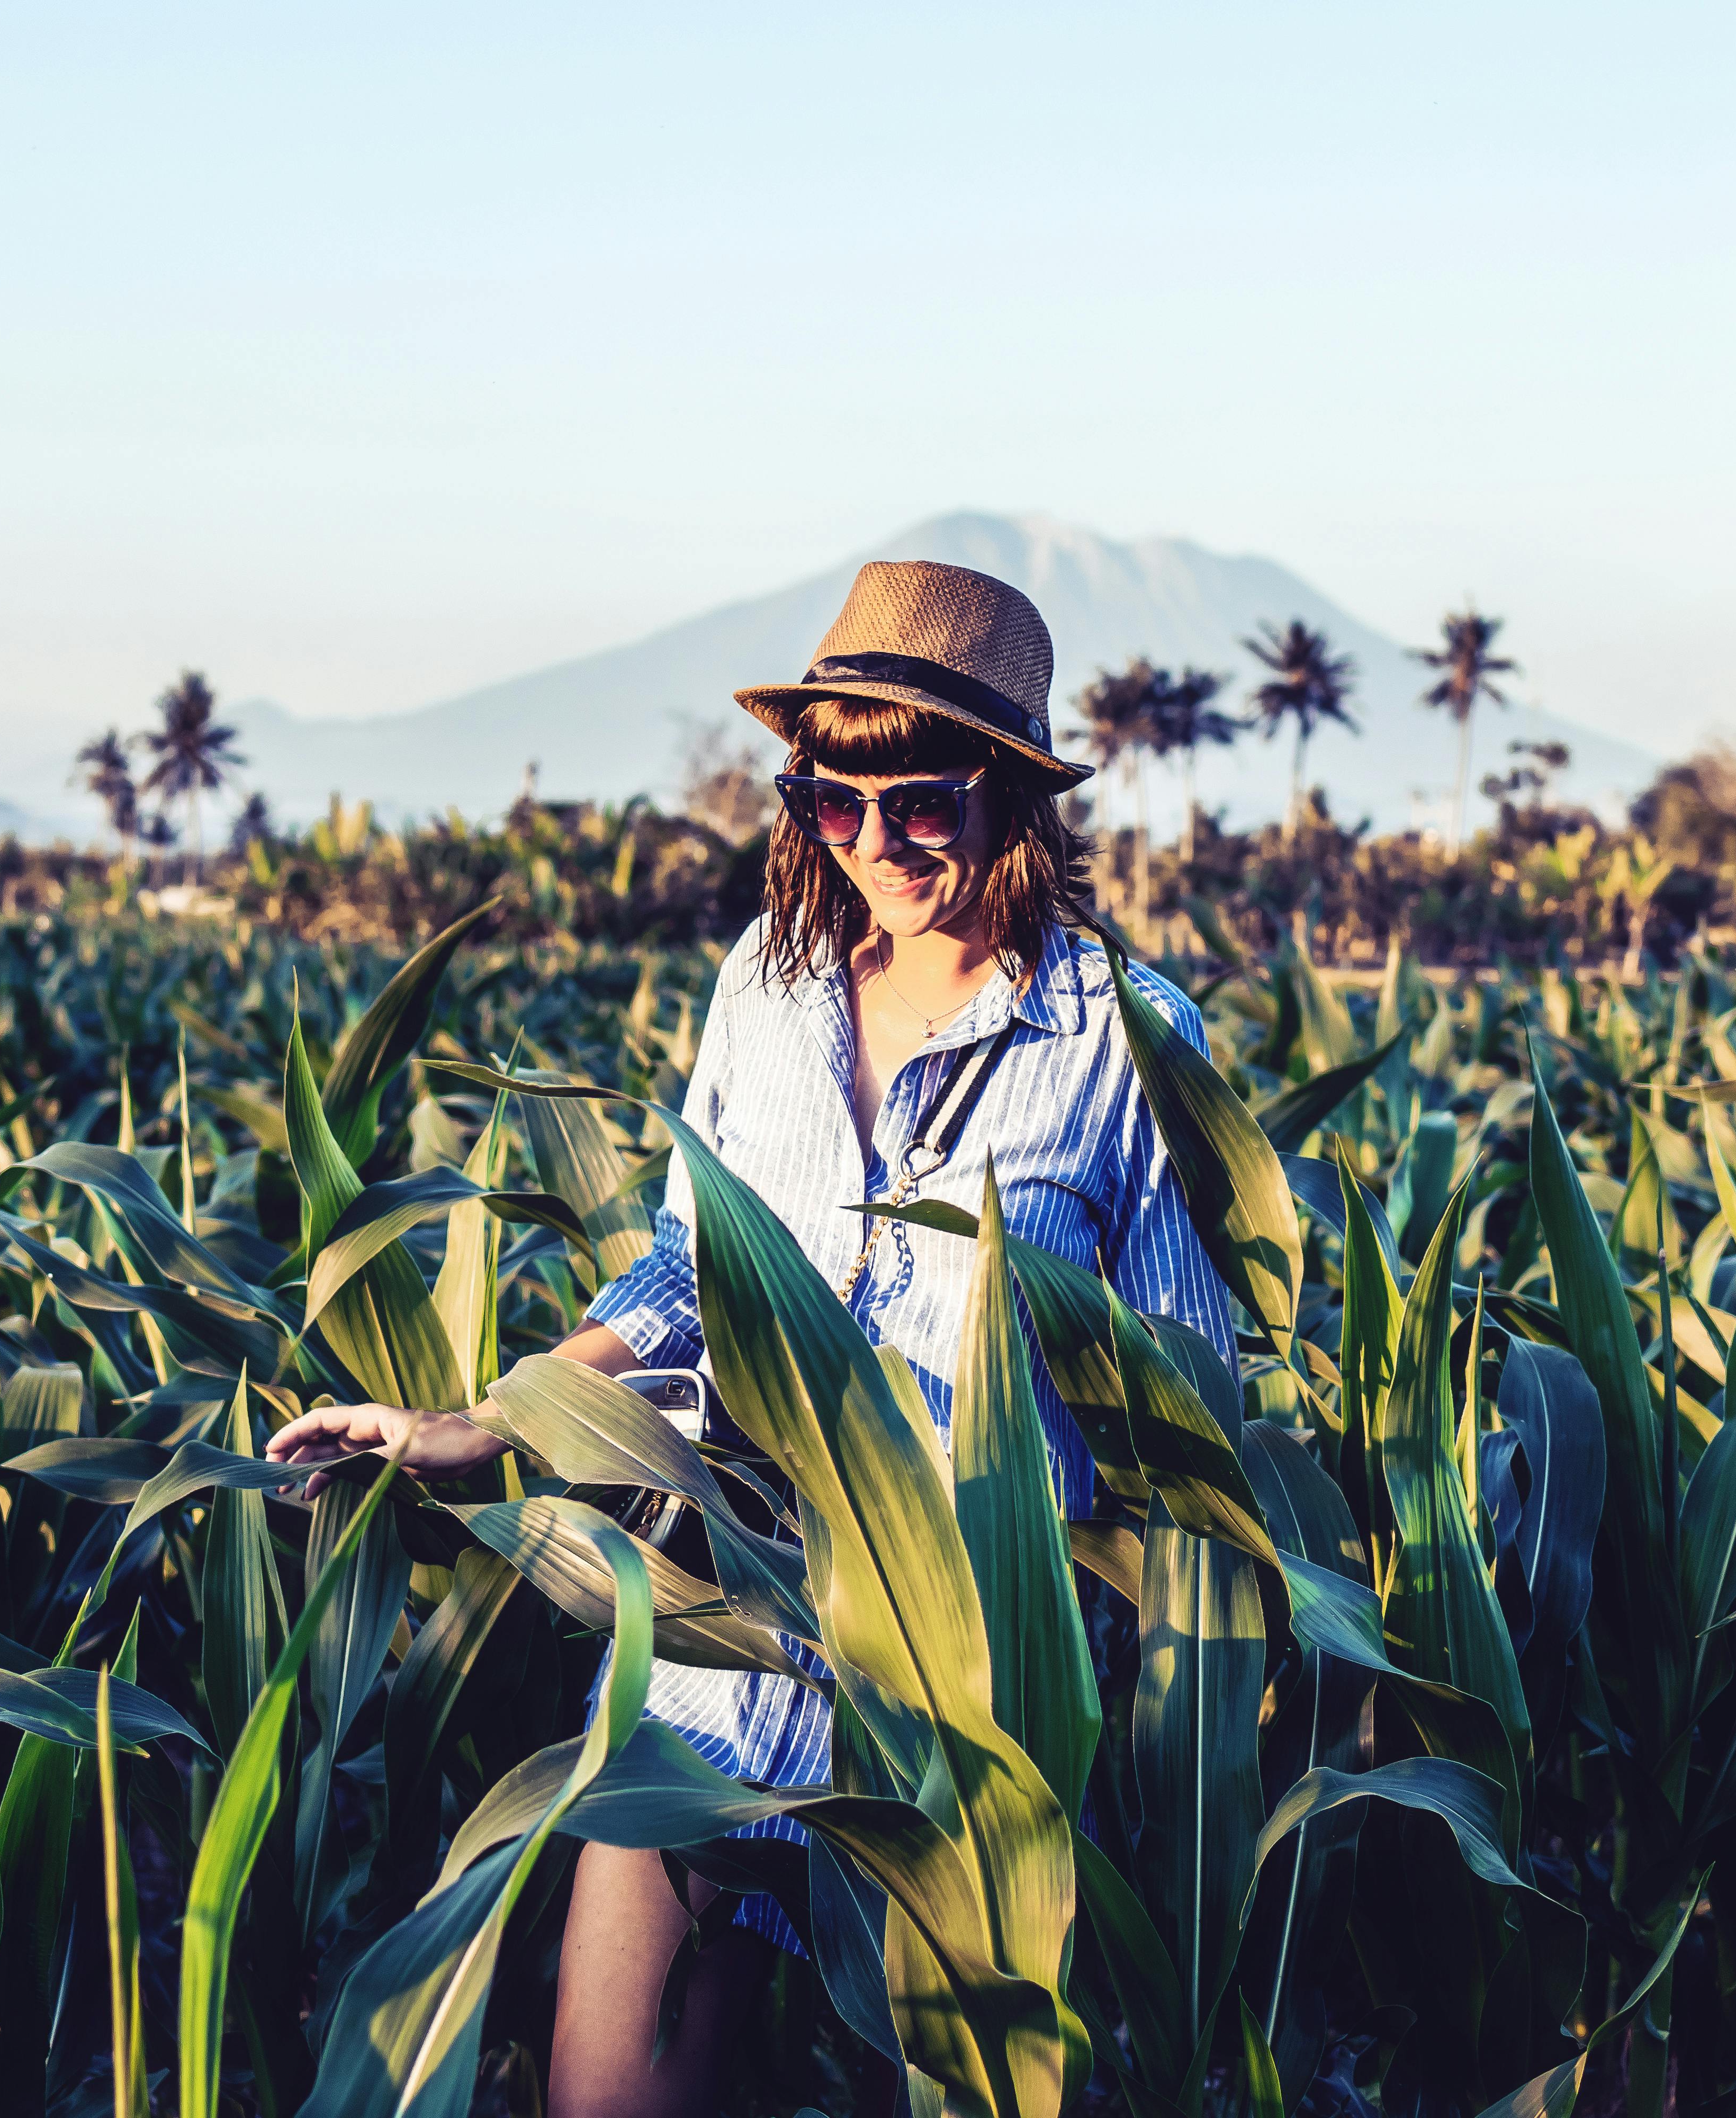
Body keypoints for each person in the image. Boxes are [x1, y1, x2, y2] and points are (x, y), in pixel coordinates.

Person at [266, 559, 1234, 2118]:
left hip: (958, 1733)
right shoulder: (767, 995)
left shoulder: (1127, 1043)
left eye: (919, 801)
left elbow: (1190, 1425)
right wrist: (494, 1420)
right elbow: (683, 1278)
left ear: (1014, 793)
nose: (874, 846)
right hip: (711, 1662)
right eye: (831, 805)